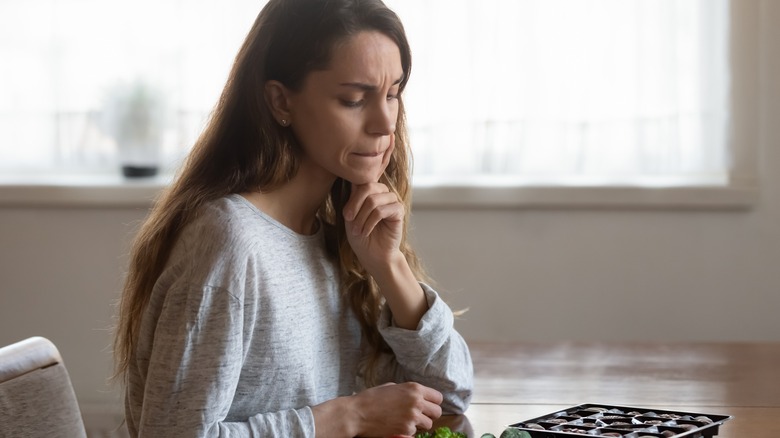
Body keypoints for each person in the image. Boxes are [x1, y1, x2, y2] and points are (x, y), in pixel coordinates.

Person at [113, 0, 473, 436]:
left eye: (393, 94)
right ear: (280, 101)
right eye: (354, 99)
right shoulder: (230, 244)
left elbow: (450, 395)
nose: (384, 124)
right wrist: (349, 417)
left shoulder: (339, 235)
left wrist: (390, 267)